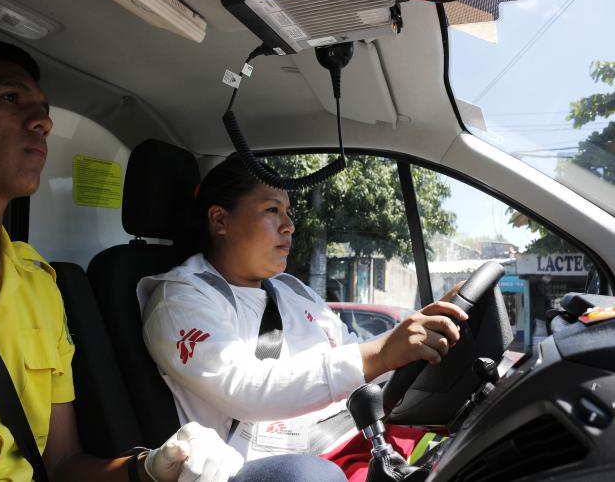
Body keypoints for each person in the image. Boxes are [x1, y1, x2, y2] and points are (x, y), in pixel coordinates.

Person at [0, 41, 346, 482]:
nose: (42, 121)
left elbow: (62, 463)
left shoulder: (39, 285)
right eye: (9, 98)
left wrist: (150, 468)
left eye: (43, 108)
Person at [138, 156, 469, 461]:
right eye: (272, 210)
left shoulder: (292, 289)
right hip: (285, 466)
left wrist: (423, 330)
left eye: (288, 211)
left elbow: (356, 354)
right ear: (220, 220)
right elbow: (247, 390)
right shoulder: (180, 300)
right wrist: (380, 353)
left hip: (356, 436)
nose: (289, 225)